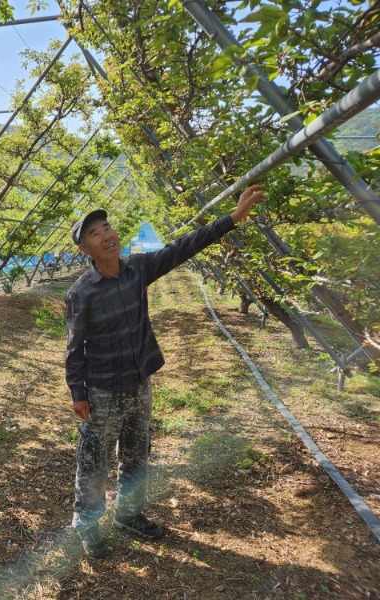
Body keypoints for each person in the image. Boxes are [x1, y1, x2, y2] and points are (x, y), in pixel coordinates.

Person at [65, 185, 266, 558]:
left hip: (140, 383)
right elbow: (74, 347)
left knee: (137, 454)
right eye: (95, 233)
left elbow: (183, 247)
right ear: (85, 249)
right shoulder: (82, 292)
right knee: (94, 460)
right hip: (104, 390)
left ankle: (129, 514)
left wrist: (231, 221)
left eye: (107, 227)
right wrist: (78, 392)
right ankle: (88, 526)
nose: (106, 235)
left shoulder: (137, 270)